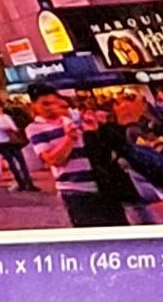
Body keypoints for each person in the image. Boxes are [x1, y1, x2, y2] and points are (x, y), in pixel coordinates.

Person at [26, 89, 136, 227]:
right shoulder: (36, 128)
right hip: (77, 191)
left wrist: (96, 130)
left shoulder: (78, 122)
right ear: (34, 105)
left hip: (103, 186)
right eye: (45, 104)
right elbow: (52, 160)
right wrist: (69, 138)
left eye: (58, 104)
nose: (52, 108)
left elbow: (102, 153)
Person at [0, 99, 36, 192]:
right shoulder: (1, 117)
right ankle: (25, 183)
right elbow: (12, 128)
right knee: (17, 162)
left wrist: (4, 128)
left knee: (15, 162)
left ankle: (24, 183)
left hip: (3, 141)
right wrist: (7, 128)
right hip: (7, 141)